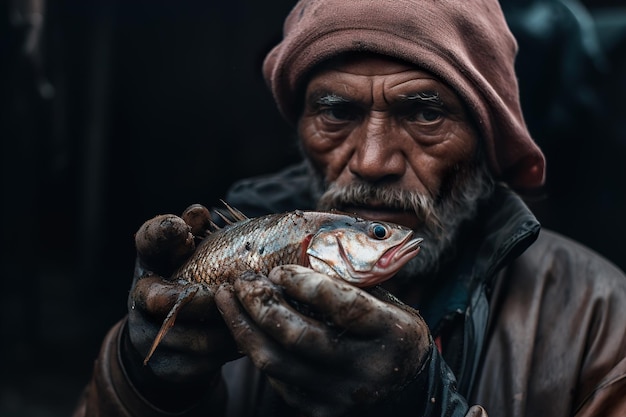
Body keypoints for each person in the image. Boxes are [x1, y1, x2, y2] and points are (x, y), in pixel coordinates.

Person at [73, 0, 626, 416]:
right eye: (337, 113)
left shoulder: (601, 317)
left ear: (487, 136)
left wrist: (430, 406)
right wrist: (139, 384)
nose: (372, 159)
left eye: (425, 113)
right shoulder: (234, 259)